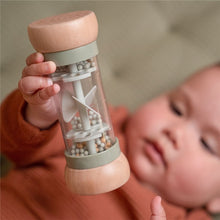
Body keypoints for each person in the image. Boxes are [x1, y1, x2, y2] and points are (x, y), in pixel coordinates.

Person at [1, 52, 219, 219]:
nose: (175, 132)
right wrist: (41, 114)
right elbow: (12, 144)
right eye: (176, 108)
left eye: (207, 144)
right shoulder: (99, 125)